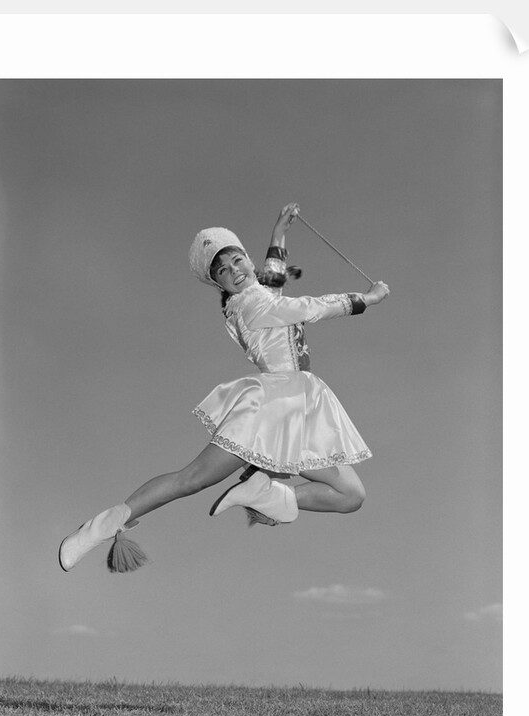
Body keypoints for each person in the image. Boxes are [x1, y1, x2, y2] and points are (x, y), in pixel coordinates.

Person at [59, 203, 390, 573]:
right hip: (275, 405)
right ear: (219, 283)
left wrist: (279, 233)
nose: (234, 271)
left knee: (350, 495)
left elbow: (273, 282)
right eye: (224, 271)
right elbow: (308, 307)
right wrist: (367, 299)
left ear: (248, 262)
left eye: (237, 262)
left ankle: (263, 492)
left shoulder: (256, 297)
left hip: (299, 405)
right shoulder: (250, 304)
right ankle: (96, 529)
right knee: (192, 479)